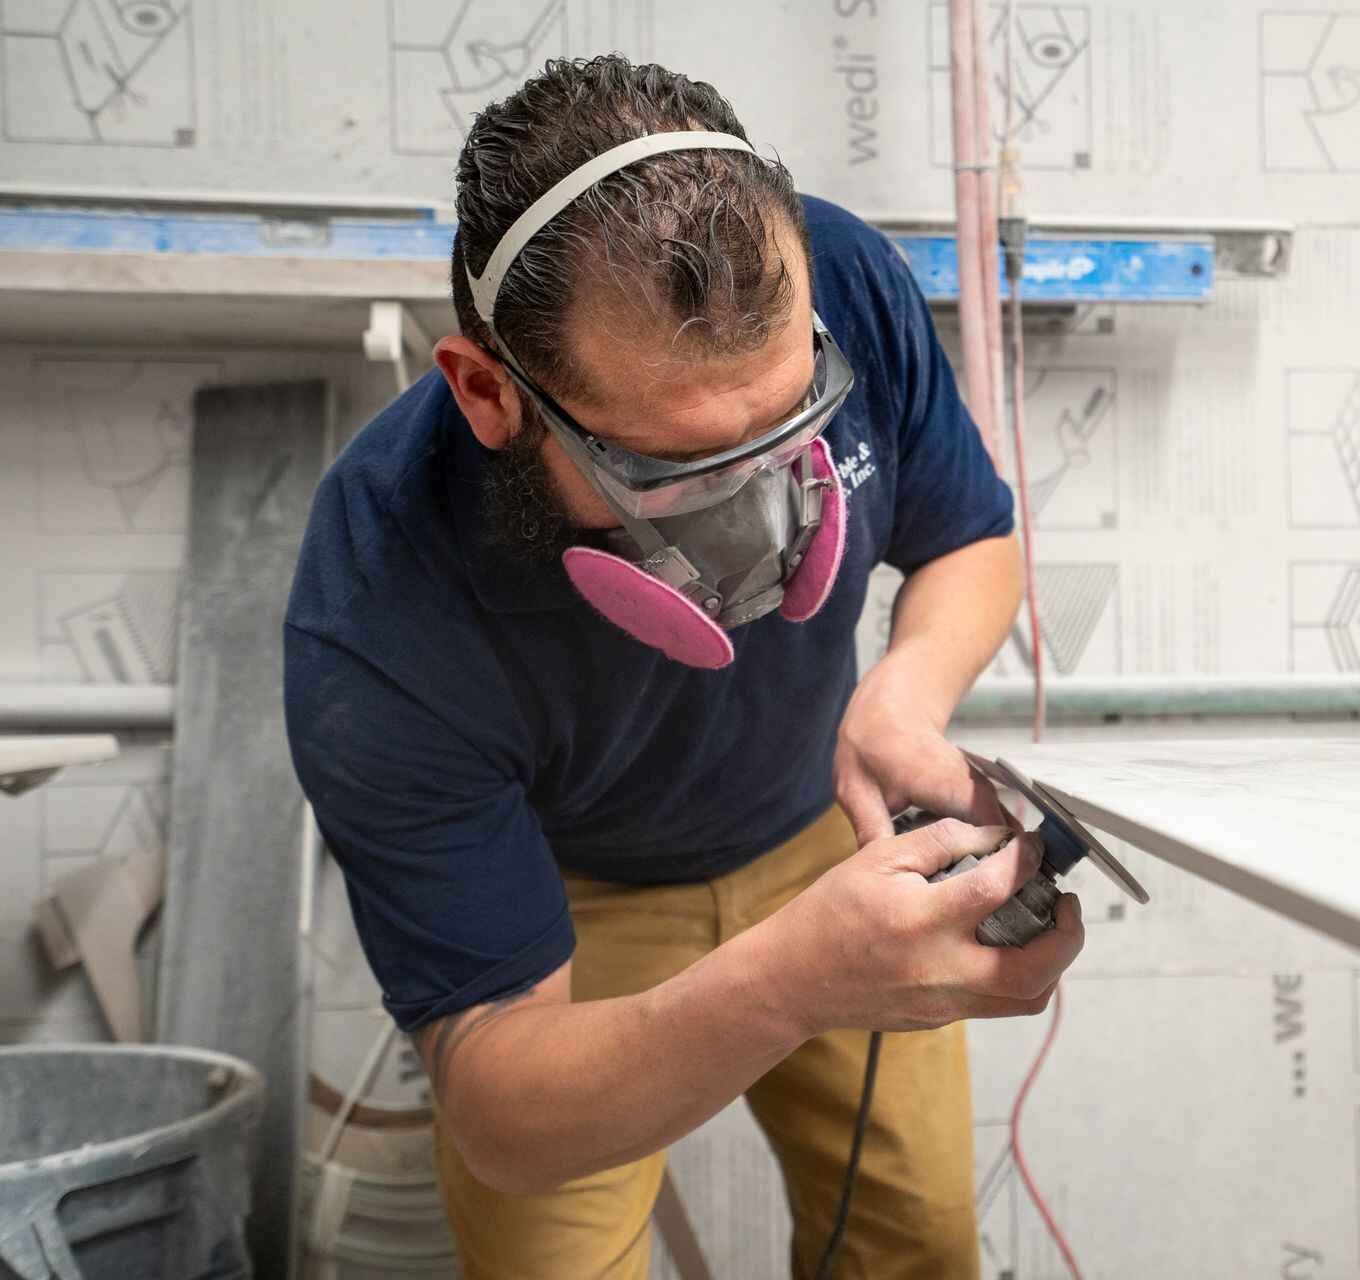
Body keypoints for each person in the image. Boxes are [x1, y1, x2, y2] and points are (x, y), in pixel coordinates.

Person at [283, 55, 1084, 1279]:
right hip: (564, 911)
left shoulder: (847, 281)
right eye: (678, 468)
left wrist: (902, 692)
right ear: (493, 395)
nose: (766, 508)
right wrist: (786, 982)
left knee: (916, 1243)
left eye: (793, 424)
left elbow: (972, 537)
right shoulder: (379, 608)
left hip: (827, 823)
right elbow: (499, 1101)